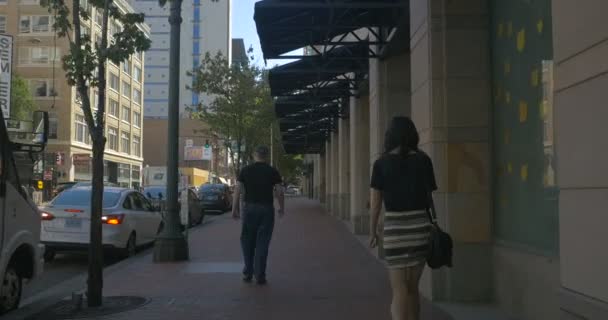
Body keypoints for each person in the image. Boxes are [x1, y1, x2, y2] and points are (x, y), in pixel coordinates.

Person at [369, 116, 437, 320]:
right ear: (412, 134)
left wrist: (373, 231)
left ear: (389, 137)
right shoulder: (424, 160)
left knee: (399, 291)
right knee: (413, 289)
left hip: (395, 230)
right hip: (420, 228)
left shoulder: (381, 163)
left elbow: (375, 204)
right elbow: (429, 197)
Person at [231, 145, 285, 285]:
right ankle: (260, 275)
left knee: (247, 240)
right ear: (266, 156)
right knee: (263, 242)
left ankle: (248, 272)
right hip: (266, 209)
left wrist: (234, 208)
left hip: (249, 209)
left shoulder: (246, 170)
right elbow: (279, 191)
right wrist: (281, 207)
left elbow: (237, 190)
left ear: (254, 155)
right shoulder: (272, 171)